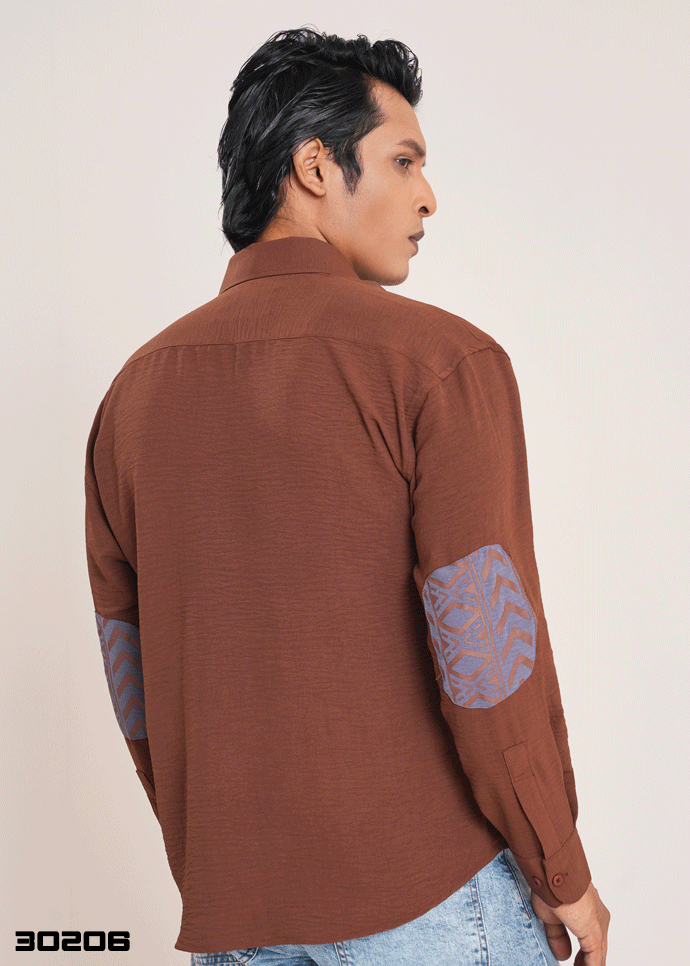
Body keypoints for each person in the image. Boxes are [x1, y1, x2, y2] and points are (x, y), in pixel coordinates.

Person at [84, 25, 610, 966]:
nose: (428, 195)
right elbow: (487, 660)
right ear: (316, 166)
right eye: (404, 160)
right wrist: (557, 865)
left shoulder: (131, 397)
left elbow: (136, 682)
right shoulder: (440, 362)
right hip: (431, 900)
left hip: (236, 915)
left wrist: (221, 856)